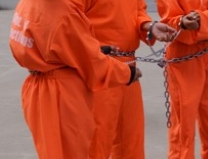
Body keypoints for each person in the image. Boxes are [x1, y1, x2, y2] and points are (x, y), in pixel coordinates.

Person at [9, 0, 143, 158]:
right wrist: (127, 73)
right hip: (62, 93)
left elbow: (55, 42)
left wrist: (91, 48)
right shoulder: (65, 14)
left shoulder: (27, 4)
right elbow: (92, 63)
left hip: (36, 86)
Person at [85, 1, 177, 158]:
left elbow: (138, 10)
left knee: (130, 142)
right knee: (97, 143)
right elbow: (70, 23)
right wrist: (90, 51)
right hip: (98, 71)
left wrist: (148, 25)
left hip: (129, 71)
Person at [156, 0, 208, 158]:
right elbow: (168, 16)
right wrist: (180, 22)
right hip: (184, 54)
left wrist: (201, 19)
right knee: (184, 117)